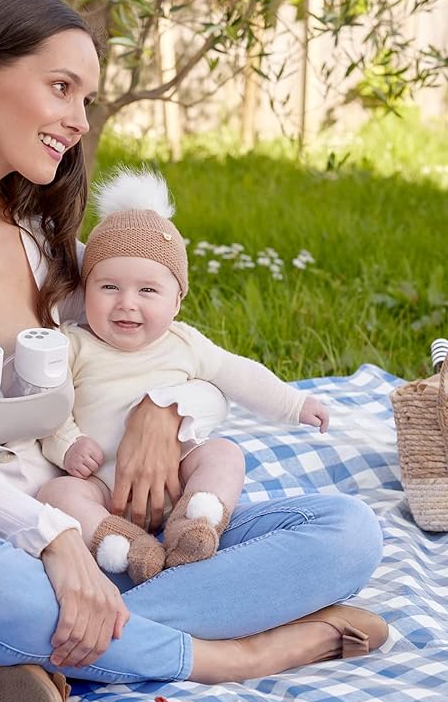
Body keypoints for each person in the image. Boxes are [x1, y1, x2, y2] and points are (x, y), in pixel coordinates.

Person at [0, 0, 387, 702]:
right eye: (61, 87)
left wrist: (162, 413)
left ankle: (17, 653)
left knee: (345, 529)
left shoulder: (47, 245)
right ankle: (234, 653)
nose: (79, 120)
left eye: (88, 98)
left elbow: (183, 354)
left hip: (104, 546)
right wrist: (53, 537)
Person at [38, 167, 330, 584]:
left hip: (175, 477)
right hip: (101, 487)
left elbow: (240, 375)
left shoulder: (184, 343)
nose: (127, 304)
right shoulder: (74, 344)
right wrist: (68, 444)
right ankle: (120, 543)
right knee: (57, 495)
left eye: (148, 290)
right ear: (85, 292)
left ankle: (195, 523)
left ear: (178, 299)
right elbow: (47, 407)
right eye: (108, 287)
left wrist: (296, 404)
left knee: (224, 454)